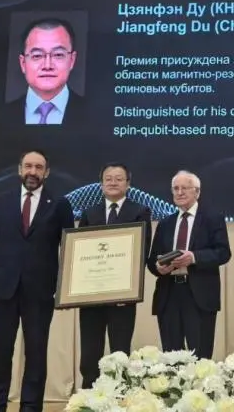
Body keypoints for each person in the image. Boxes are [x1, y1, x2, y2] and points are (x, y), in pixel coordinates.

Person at [0, 150, 74, 412]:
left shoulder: (59, 204)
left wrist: (68, 289)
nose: (33, 172)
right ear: (19, 170)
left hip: (40, 292)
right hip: (2, 289)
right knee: (0, 353)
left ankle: (30, 407)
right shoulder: (0, 201)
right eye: (28, 166)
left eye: (39, 167)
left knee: (36, 355)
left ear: (46, 173)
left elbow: (70, 248)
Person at [77, 162, 152, 388]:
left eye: (119, 179)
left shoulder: (140, 211)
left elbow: (142, 251)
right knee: (90, 350)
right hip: (92, 295)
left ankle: (119, 394)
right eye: (108, 179)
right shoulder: (89, 213)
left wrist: (127, 286)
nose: (113, 183)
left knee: (120, 350)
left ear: (128, 184)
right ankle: (89, 394)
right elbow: (80, 252)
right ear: (101, 184)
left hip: (122, 295)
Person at [146, 170, 231, 359]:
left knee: (200, 358)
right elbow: (152, 261)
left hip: (199, 296)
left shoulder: (212, 219)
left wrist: (193, 257)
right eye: (175, 188)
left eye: (185, 188)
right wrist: (159, 267)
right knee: (171, 359)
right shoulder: (165, 223)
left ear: (197, 192)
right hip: (169, 295)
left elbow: (223, 252)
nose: (179, 192)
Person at [8, 17, 84, 126]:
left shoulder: (98, 116)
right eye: (37, 56)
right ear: (23, 63)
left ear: (72, 60)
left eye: (58, 55)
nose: (47, 66)